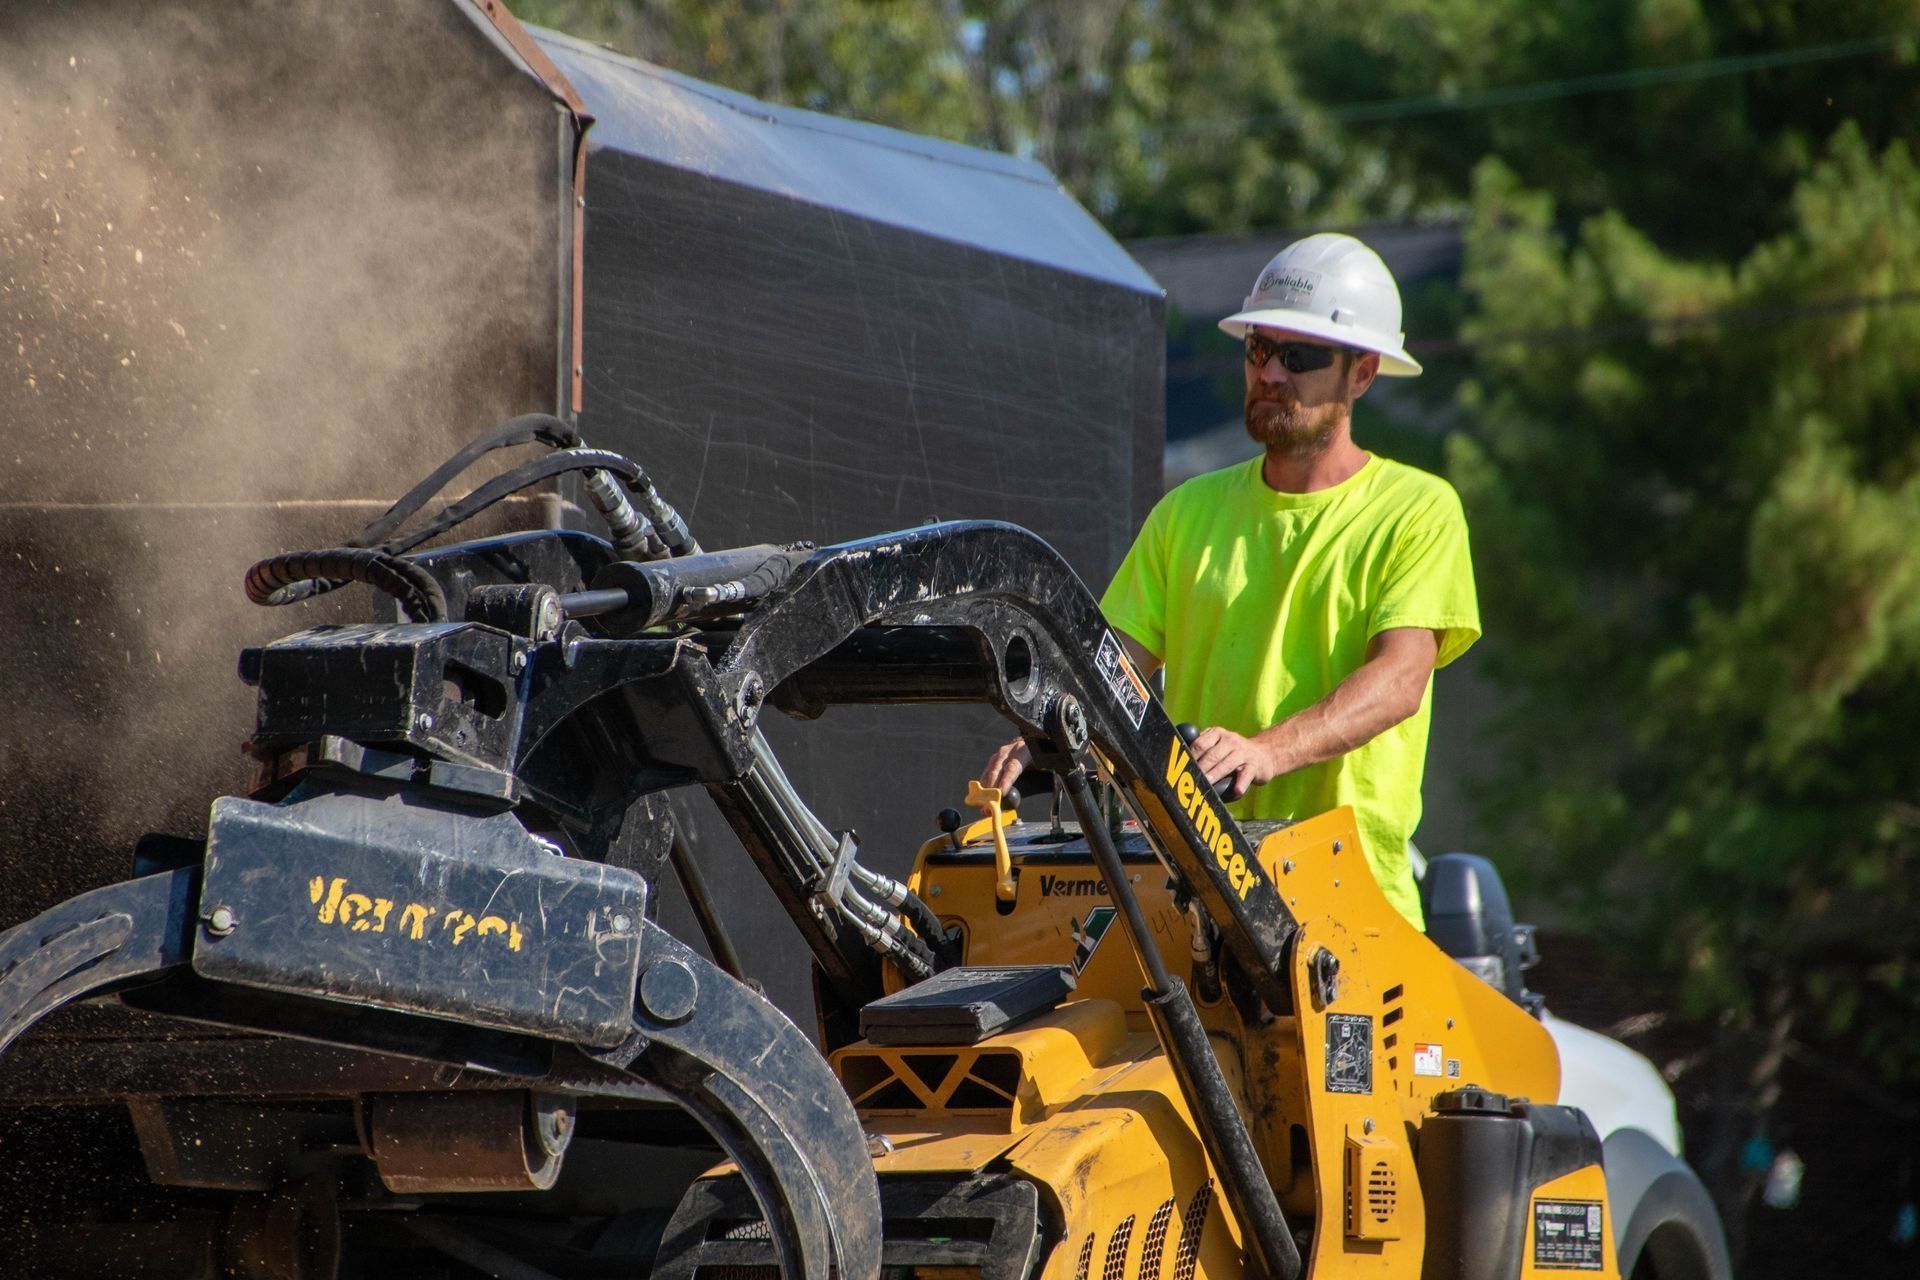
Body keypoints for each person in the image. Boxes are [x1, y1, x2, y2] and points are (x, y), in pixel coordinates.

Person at [980, 232, 1478, 928]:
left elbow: (1401, 680)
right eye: (1258, 349)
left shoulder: (1416, 510)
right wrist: (1051, 738)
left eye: (1299, 356)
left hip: (1354, 918)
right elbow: (1111, 673)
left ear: (1362, 372)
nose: (1270, 373)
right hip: (1197, 904)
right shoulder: (1187, 512)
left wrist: (1264, 751)